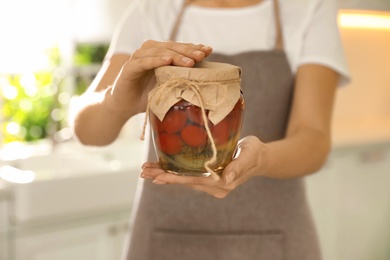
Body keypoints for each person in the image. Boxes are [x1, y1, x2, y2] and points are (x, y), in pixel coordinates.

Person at [71, 0, 349, 259]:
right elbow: (88, 131)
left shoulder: (308, 7)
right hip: (162, 238)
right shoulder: (152, 10)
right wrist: (118, 101)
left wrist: (260, 158)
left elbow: (313, 139)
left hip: (279, 239)